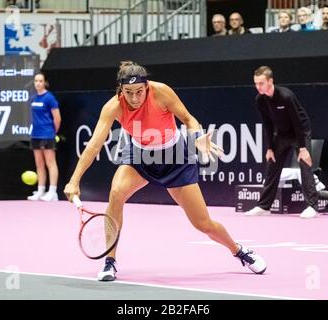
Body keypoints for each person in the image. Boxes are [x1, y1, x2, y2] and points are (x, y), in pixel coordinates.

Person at [63, 61, 266, 281]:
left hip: (175, 157)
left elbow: (188, 119)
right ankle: (110, 261)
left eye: (139, 92)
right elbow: (93, 145)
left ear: (147, 86)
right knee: (116, 193)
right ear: (120, 89)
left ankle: (239, 251)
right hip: (139, 156)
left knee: (203, 224)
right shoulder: (113, 106)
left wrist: (197, 137)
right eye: (128, 92)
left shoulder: (161, 92)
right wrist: (74, 180)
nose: (134, 98)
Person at [245, 66, 328, 219]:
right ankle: (264, 206)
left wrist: (303, 148)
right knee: (272, 165)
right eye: (256, 83)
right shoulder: (260, 100)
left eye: (261, 83)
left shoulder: (286, 96)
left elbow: (299, 123)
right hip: (282, 134)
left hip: (299, 132)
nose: (257, 87)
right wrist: (270, 148)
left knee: (305, 166)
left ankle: (312, 206)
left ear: (270, 81)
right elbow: (267, 124)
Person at [27, 72, 61, 201]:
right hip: (35, 134)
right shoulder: (33, 98)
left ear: (45, 82)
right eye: (36, 81)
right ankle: (40, 190)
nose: (38, 83)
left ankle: (53, 191)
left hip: (47, 134)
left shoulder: (49, 98)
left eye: (40, 81)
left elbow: (57, 118)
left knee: (50, 163)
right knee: (39, 164)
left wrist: (53, 132)